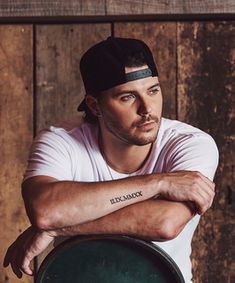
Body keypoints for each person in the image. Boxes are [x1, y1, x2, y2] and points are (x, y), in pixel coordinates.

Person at [4, 37, 218, 282]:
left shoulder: (190, 143)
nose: (147, 108)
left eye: (153, 90)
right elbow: (45, 211)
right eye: (127, 97)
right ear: (95, 106)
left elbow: (165, 223)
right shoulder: (61, 141)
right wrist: (158, 183)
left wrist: (59, 227)